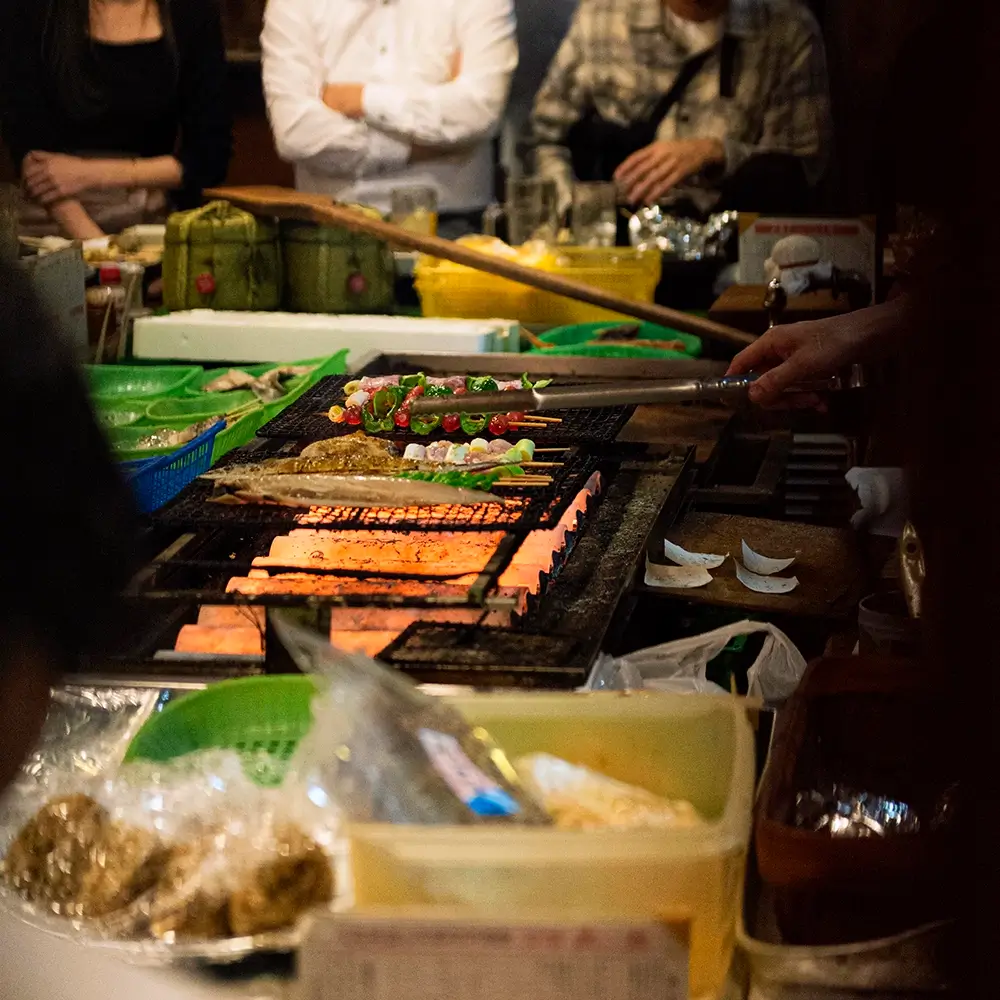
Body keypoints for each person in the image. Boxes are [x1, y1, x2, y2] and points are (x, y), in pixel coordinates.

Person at [528, 0, 832, 222]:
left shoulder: (787, 29)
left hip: (729, 258)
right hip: (616, 247)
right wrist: (575, 211)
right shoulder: (602, 16)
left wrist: (717, 153)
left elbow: (802, 166)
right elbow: (542, 137)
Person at [261, 0, 518, 237]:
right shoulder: (293, 5)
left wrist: (362, 99)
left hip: (455, 224)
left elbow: (478, 111)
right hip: (330, 224)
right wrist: (411, 148)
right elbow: (295, 133)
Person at [0, 0, 231, 239]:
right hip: (50, 225)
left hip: (150, 224)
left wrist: (91, 174)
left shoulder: (192, 11)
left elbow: (208, 160)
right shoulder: (32, 9)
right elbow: (30, 149)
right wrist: (99, 247)